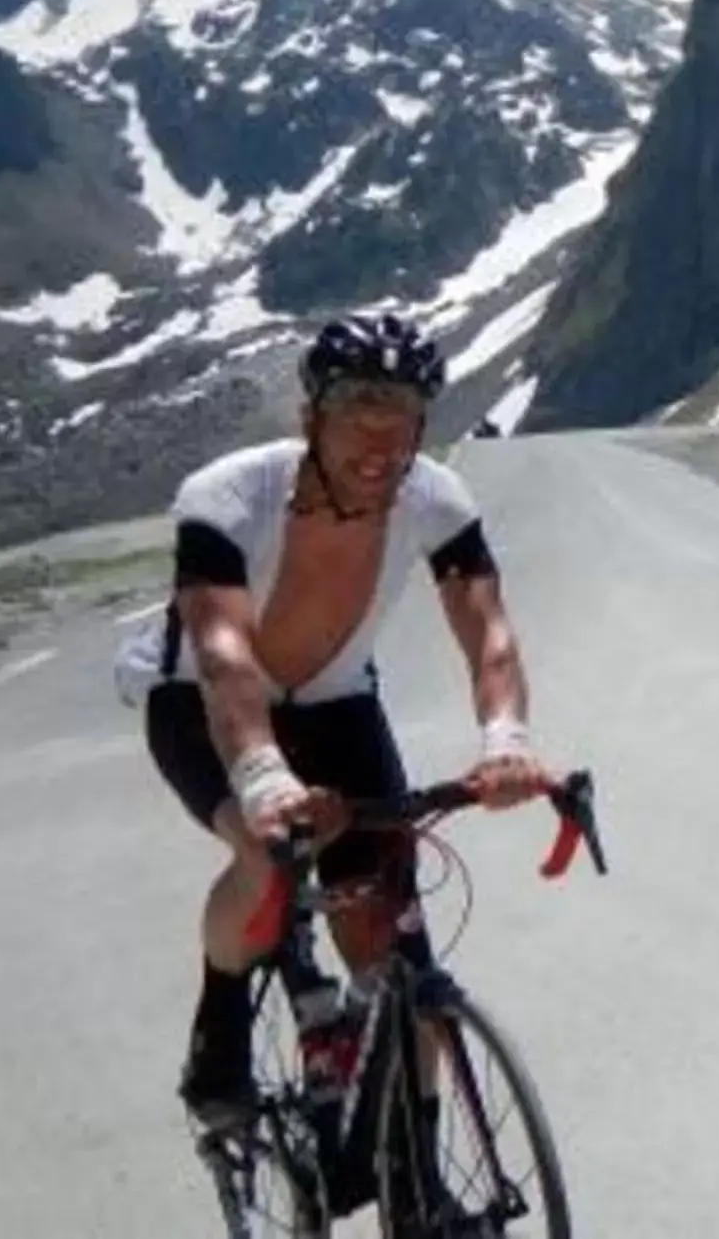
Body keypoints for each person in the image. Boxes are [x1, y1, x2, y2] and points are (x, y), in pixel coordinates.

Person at [115, 312, 553, 1127]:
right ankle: (221, 1016)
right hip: (197, 702)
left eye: (403, 421)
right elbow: (221, 654)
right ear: (310, 414)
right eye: (360, 412)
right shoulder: (227, 497)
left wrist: (506, 742)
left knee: (395, 953)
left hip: (335, 704)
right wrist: (261, 776)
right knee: (266, 853)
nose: (380, 444)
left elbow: (487, 629)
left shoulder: (435, 499)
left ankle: (415, 1174)